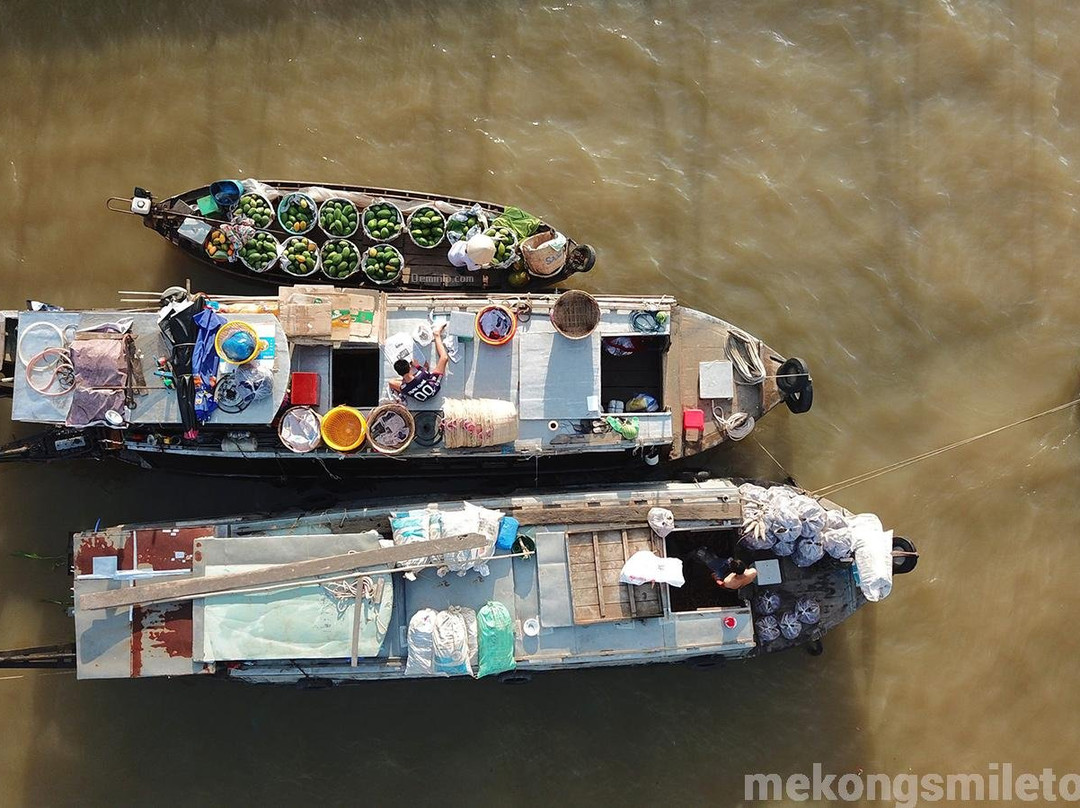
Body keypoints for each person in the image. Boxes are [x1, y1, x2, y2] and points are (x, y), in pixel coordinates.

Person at [389, 323, 449, 403]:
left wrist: (404, 379)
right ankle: (436, 334)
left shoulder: (404, 388)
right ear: (410, 367)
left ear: (399, 373)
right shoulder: (421, 374)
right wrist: (417, 365)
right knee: (444, 358)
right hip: (433, 388)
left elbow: (391, 382)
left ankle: (403, 383)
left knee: (392, 383)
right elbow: (426, 367)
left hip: (422, 397)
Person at [691, 548, 758, 590]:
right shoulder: (753, 572)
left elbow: (722, 584)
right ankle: (712, 554)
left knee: (712, 563)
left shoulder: (729, 581)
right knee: (722, 560)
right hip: (737, 580)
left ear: (733, 571)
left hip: (722, 574)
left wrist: (715, 578)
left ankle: (698, 553)